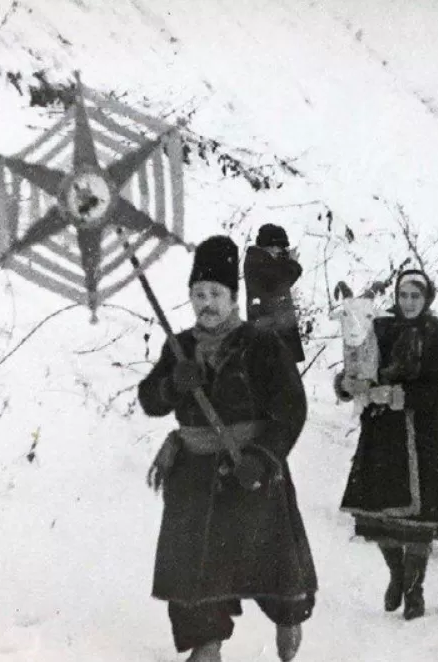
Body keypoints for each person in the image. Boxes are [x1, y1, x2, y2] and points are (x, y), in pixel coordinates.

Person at [138, 236, 316, 662]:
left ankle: (287, 617)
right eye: (199, 295)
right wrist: (171, 384)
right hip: (194, 473)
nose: (207, 304)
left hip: (249, 468)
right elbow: (149, 400)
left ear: (233, 298)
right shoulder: (178, 346)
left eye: (216, 294)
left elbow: (291, 409)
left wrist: (263, 458)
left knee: (269, 559)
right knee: (194, 565)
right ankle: (206, 643)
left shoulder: (261, 344)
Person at [335, 269, 438, 620]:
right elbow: (357, 364)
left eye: (415, 296)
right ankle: (397, 574)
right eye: (403, 295)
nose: (408, 302)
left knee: (419, 521)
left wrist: (397, 395)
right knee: (379, 516)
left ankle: (414, 589)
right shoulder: (379, 327)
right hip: (383, 435)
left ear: (427, 298)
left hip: (425, 436)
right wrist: (348, 384)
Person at [244, 223, 306, 363]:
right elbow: (280, 280)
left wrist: (285, 260)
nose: (281, 251)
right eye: (280, 247)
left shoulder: (261, 260)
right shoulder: (257, 261)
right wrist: (293, 264)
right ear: (270, 246)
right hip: (269, 334)